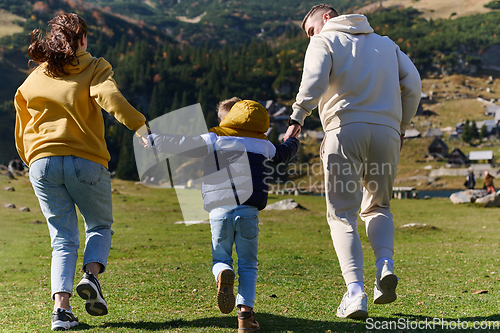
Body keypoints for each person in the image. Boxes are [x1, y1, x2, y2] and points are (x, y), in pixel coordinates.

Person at [283, 4, 421, 319]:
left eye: (310, 30)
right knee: (378, 207)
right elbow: (413, 85)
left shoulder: (324, 40)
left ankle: (355, 292)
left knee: (342, 215)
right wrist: (400, 126)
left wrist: (297, 117)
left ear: (327, 18)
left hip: (344, 131)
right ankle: (384, 264)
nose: (310, 37)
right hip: (386, 134)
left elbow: (315, 79)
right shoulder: (387, 44)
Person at [14, 13, 147, 331]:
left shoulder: (34, 77)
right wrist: (140, 126)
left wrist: (31, 159)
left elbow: (21, 124)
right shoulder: (94, 65)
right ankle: (91, 277)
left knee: (62, 238)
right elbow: (110, 98)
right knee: (99, 225)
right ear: (82, 39)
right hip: (85, 160)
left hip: (41, 163)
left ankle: (61, 312)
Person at [141, 98, 300, 331]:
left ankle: (223, 271)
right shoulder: (263, 143)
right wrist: (293, 139)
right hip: (248, 211)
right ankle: (245, 316)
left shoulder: (215, 138)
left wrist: (153, 139)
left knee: (221, 258)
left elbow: (183, 144)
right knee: (248, 264)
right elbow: (284, 153)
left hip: (219, 210)